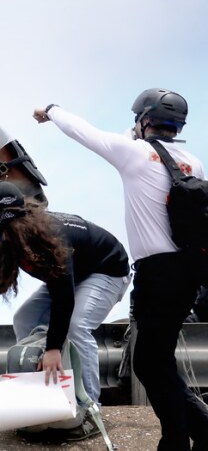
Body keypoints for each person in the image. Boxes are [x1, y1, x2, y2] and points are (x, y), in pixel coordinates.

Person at [34, 90, 208, 450]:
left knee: (149, 362)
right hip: (189, 271)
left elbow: (84, 132)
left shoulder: (132, 152)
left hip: (157, 273)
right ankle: (195, 432)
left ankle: (178, 440)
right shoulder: (192, 161)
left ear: (144, 120)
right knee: (157, 360)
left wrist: (51, 110)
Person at [0, 181, 130, 437]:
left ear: (5, 218)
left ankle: (91, 410)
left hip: (106, 271)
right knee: (24, 317)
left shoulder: (50, 236)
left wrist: (54, 349)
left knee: (77, 326)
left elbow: (64, 298)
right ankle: (39, 398)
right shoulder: (10, 238)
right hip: (68, 277)